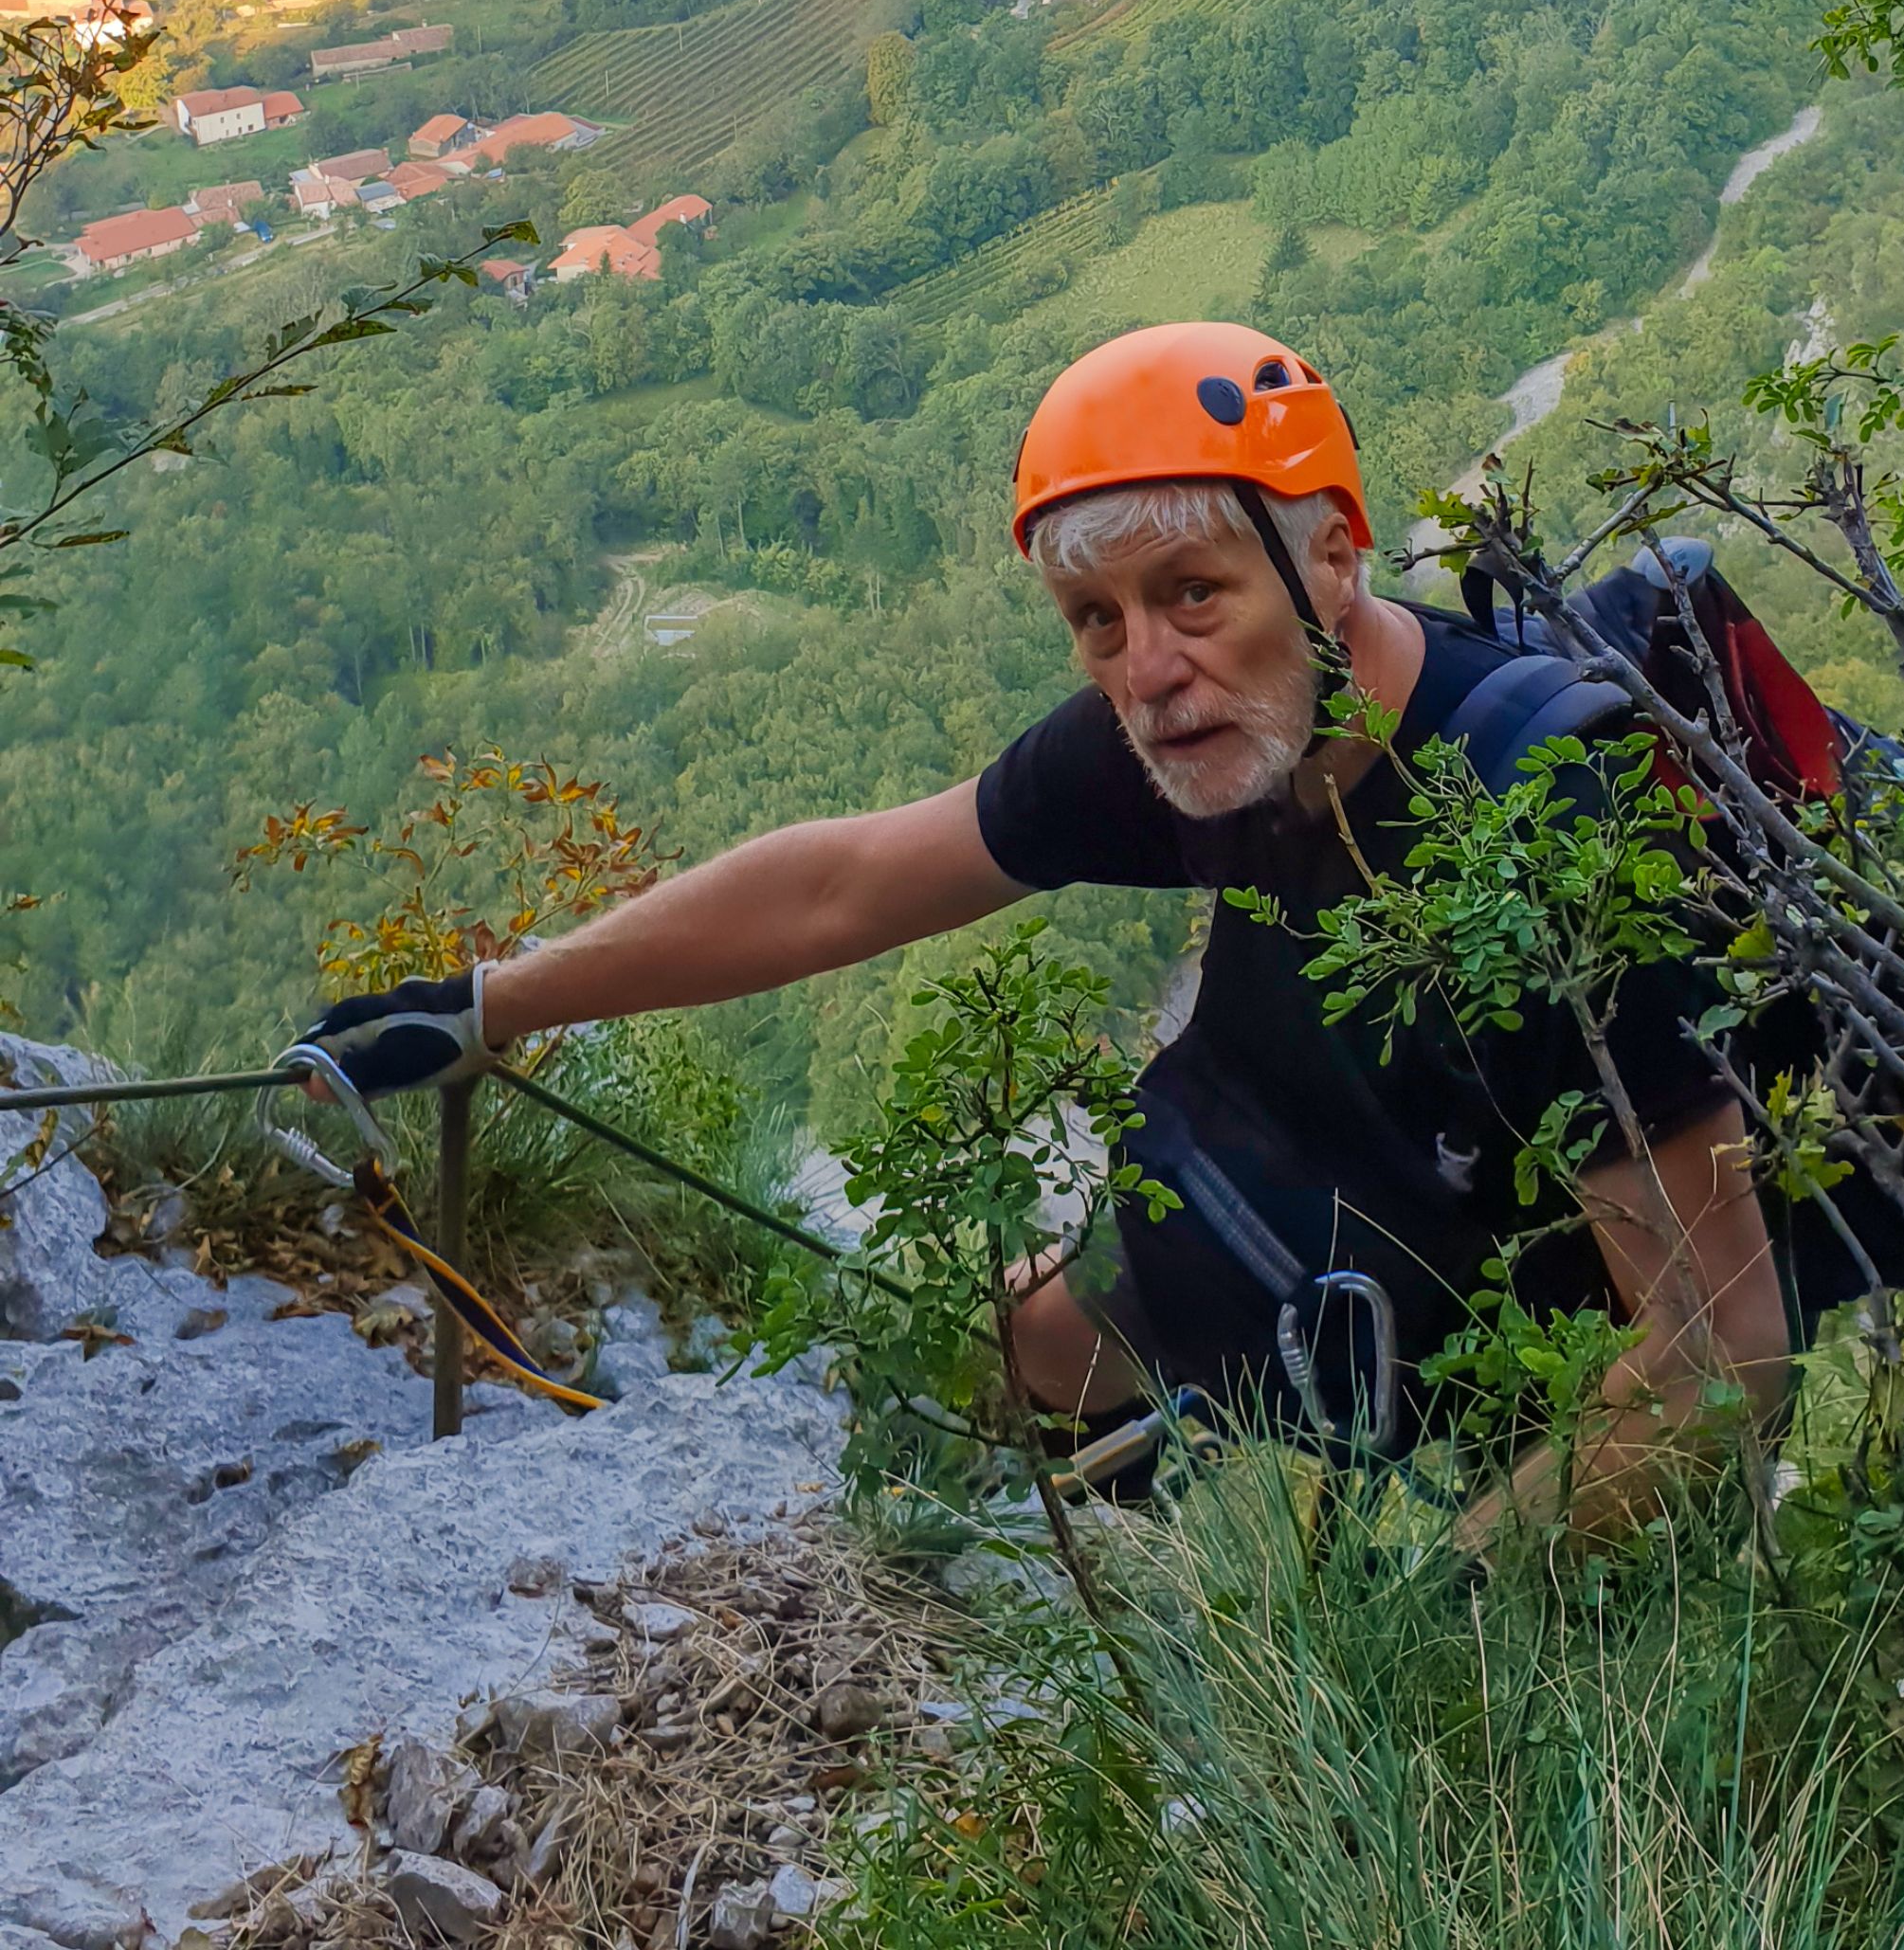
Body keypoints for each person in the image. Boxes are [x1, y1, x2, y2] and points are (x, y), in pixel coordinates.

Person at [300, 322, 1790, 1544]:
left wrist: (1430, 1621)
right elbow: (848, 885)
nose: (1146, 672)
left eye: (1192, 594)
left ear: (1331, 557)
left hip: (1490, 1333)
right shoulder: (1219, 727)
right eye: (1094, 619)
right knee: (1019, 1338)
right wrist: (498, 1000)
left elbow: (1716, 1355)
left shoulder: (1555, 850)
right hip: (1294, 1207)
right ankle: (1092, 1533)